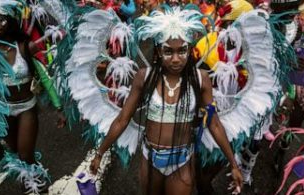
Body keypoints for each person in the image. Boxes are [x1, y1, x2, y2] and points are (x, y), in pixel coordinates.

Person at [89, 6, 243, 195]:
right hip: (151, 157)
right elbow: (122, 119)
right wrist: (99, 153)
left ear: (189, 49)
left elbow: (214, 122)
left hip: (182, 160)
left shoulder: (200, 79)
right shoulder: (144, 77)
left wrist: (234, 164)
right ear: (158, 52)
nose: (176, 59)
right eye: (168, 51)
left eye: (182, 51)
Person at [0, 0, 64, 193]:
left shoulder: (25, 46)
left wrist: (59, 107)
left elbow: (44, 76)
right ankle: (33, 181)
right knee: (16, 153)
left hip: (26, 109)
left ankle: (37, 188)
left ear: (10, 19)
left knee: (25, 153)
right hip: (2, 111)